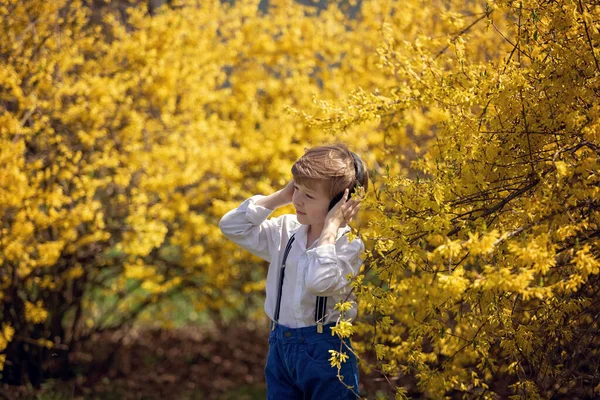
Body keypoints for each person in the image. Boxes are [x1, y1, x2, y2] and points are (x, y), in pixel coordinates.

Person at [219, 143, 368, 399]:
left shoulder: (348, 244)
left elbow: (319, 283)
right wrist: (281, 196)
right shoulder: (285, 231)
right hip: (280, 348)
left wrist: (331, 228)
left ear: (339, 202)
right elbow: (231, 226)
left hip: (326, 351)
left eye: (309, 196)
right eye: (296, 189)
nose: (298, 200)